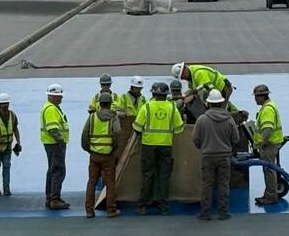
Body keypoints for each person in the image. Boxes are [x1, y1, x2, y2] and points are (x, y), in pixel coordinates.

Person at [133, 81, 184, 215]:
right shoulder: (172, 107)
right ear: (166, 94)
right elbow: (179, 129)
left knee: (147, 175)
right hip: (166, 146)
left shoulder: (146, 107)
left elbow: (137, 127)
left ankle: (143, 206)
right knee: (164, 176)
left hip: (148, 145)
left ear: (153, 93)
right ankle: (164, 207)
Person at [192, 89, 240, 221]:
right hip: (224, 157)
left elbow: (195, 139)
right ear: (220, 103)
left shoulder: (202, 119)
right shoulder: (229, 119)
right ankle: (223, 212)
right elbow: (236, 138)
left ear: (209, 103)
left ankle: (205, 213)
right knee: (223, 184)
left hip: (207, 156)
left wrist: (204, 148)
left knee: (207, 185)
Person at [81, 91, 123, 218]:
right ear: (110, 104)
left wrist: (89, 149)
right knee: (110, 183)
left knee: (91, 182)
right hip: (108, 155)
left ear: (99, 103)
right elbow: (117, 133)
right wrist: (113, 149)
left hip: (94, 155)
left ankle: (89, 211)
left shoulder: (92, 116)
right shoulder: (114, 117)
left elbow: (84, 134)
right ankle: (111, 210)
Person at [40, 83, 71, 209]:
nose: (61, 99)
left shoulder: (48, 107)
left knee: (52, 171)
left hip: (50, 143)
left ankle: (50, 197)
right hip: (55, 144)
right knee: (58, 171)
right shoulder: (51, 109)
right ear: (52, 96)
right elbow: (53, 128)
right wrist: (61, 140)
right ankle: (55, 199)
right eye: (59, 96)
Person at [252, 84, 284, 205]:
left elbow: (268, 128)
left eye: (256, 96)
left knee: (269, 170)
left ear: (262, 96)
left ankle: (271, 197)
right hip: (272, 143)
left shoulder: (267, 110)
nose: (255, 99)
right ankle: (269, 194)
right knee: (269, 169)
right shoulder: (269, 106)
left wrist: (262, 143)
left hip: (269, 145)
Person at [0, 92, 22, 196]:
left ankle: (6, 189)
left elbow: (15, 129)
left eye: (7, 103)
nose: (5, 105)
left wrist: (18, 142)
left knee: (7, 166)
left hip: (7, 146)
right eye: (3, 104)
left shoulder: (13, 115)